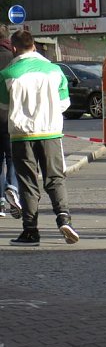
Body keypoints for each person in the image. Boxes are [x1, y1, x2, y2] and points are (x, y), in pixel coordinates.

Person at [0, 30, 76, 245]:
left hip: (21, 136)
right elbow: (64, 103)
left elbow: (4, 106)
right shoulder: (55, 71)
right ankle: (64, 217)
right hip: (50, 132)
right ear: (33, 45)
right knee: (55, 178)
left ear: (14, 48)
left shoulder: (7, 74)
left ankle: (31, 231)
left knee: (27, 183)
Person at [0, 25, 21, 219]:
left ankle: (0, 203)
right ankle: (13, 188)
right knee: (12, 157)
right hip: (9, 116)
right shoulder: (14, 60)